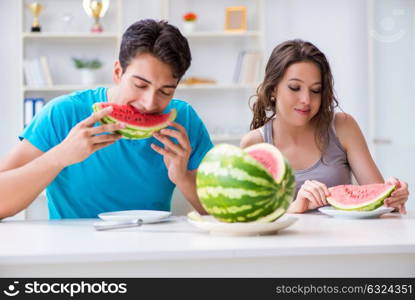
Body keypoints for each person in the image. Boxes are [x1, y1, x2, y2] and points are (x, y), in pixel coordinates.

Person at [0, 19, 213, 219]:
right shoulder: (64, 113)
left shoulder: (183, 121)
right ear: (118, 72)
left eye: (165, 91)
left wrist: (183, 177)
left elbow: (223, 213)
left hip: (149, 251)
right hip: (69, 251)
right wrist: (60, 157)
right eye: (140, 85)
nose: (149, 103)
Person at [240, 39, 409, 214]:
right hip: (282, 241)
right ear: (273, 89)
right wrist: (294, 208)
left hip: (343, 239)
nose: (306, 99)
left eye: (316, 90)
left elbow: (380, 201)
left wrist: (394, 195)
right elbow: (247, 215)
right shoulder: (254, 144)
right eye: (295, 87)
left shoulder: (343, 126)